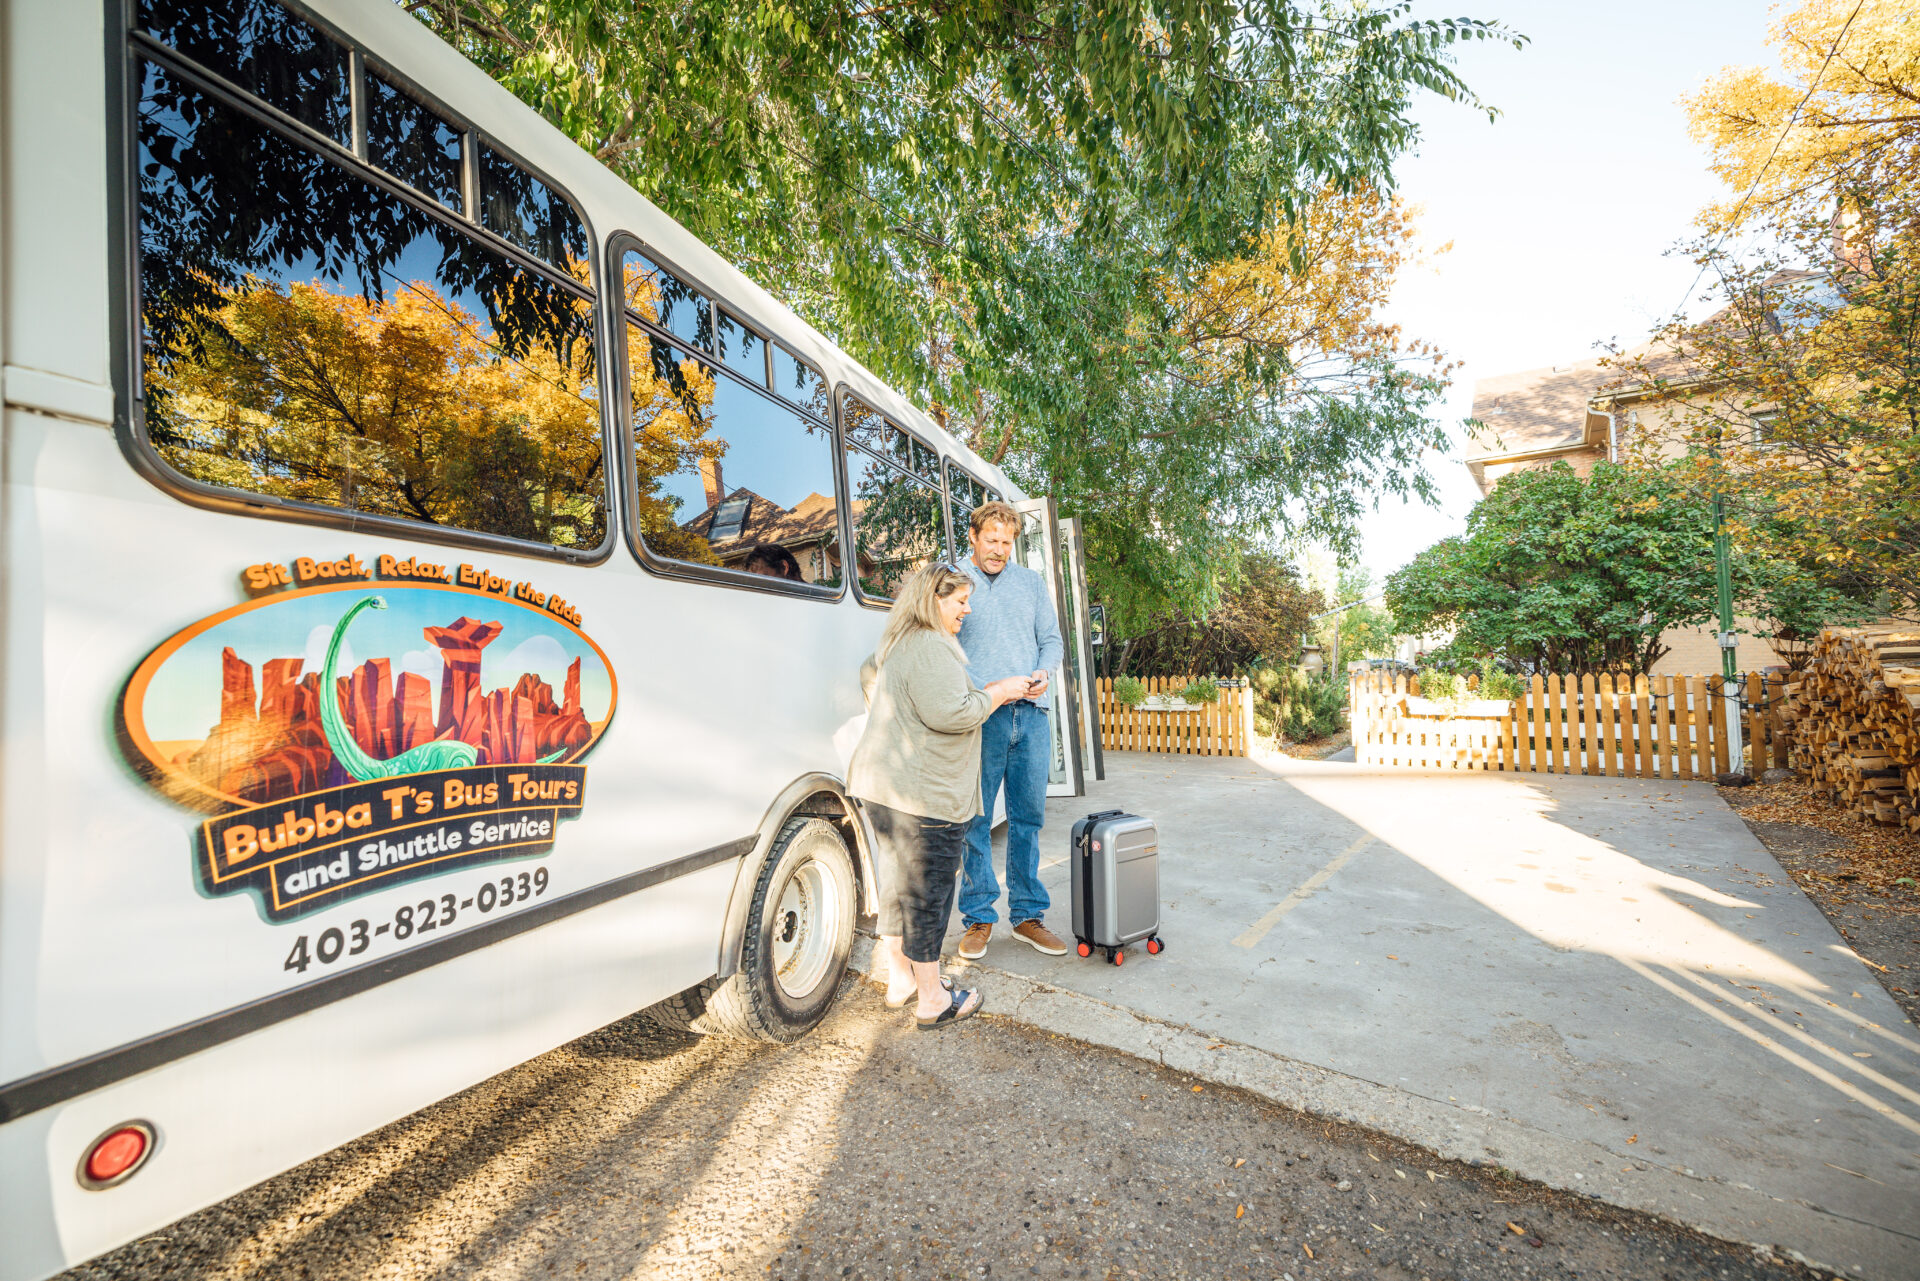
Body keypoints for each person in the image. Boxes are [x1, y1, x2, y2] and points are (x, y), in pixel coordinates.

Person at [848, 563, 1033, 1027]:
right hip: (922, 797)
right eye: (960, 601)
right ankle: (933, 999)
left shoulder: (897, 639)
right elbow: (954, 713)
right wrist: (1002, 692)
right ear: (934, 600)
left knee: (896, 886)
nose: (967, 610)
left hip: (883, 788)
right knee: (928, 894)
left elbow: (867, 676)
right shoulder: (931, 644)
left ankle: (902, 979)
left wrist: (899, 724)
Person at [954, 501, 1069, 958]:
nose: (999, 550)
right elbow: (939, 643)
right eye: (992, 540)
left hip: (1032, 715)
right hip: (982, 716)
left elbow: (1052, 640)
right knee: (975, 821)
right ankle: (979, 918)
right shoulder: (953, 580)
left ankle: (1026, 917)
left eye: (1006, 542)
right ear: (974, 537)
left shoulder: (1031, 583)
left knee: (1028, 820)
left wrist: (1044, 671)